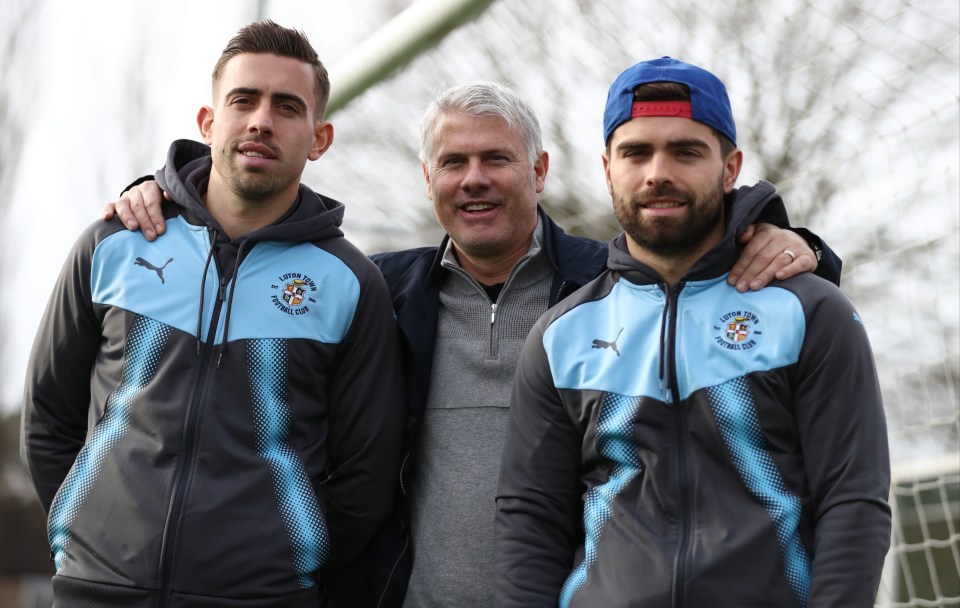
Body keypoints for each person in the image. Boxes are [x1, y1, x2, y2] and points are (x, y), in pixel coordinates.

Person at [105, 82, 840, 607]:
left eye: (497, 159)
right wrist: (167, 191)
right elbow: (258, 257)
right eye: (454, 163)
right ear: (429, 179)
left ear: (540, 171)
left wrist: (791, 240)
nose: (475, 180)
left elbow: (701, 269)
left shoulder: (608, 289)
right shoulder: (376, 292)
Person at [20, 20, 405, 607]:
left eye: (286, 107)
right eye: (243, 100)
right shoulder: (115, 243)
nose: (260, 120)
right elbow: (47, 416)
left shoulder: (350, 283)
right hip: (95, 591)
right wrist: (85, 532)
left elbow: (367, 473)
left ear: (319, 137)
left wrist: (286, 560)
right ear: (208, 122)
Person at [494, 57, 891, 607]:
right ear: (608, 169)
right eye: (636, 152)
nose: (658, 172)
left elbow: (854, 502)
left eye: (686, 151)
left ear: (731, 168)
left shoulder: (811, 311)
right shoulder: (560, 336)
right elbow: (529, 522)